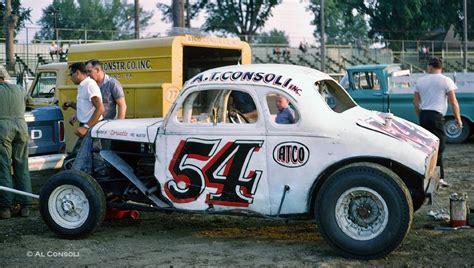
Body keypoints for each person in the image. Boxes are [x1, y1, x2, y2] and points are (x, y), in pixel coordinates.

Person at [413, 57, 462, 187]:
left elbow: (416, 103)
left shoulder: (421, 81)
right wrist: (458, 118)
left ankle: (434, 176)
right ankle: (435, 178)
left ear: (430, 67)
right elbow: (453, 102)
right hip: (436, 116)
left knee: (428, 146)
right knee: (439, 147)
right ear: (441, 68)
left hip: (424, 115)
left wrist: (421, 116)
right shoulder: (446, 81)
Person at [0, 70, 32, 219]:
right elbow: (30, 103)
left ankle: (5, 208)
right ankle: (25, 205)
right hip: (21, 127)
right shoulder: (19, 89)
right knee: (22, 166)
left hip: (3, 129)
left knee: (4, 167)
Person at [62, 62, 104, 153]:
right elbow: (86, 107)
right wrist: (70, 104)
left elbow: (100, 108)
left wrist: (85, 127)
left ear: (77, 73)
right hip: (88, 126)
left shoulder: (89, 85)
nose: (70, 77)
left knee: (77, 156)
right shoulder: (82, 85)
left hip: (91, 127)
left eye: (71, 74)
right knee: (90, 157)